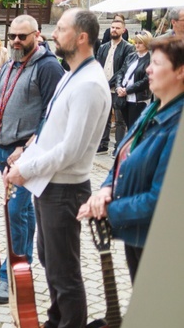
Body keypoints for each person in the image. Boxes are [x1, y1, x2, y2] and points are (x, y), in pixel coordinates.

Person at [6, 8, 110, 328]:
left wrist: (25, 169)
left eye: (61, 29)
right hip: (47, 186)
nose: (53, 33)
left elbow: (71, 149)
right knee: (50, 261)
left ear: (81, 37)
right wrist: (24, 156)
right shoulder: (72, 74)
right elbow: (49, 129)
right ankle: (56, 322)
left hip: (65, 189)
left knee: (65, 270)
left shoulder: (90, 84)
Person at [78, 34, 184, 284]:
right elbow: (124, 158)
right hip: (137, 236)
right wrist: (106, 189)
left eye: (156, 63)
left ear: (180, 72)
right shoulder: (154, 108)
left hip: (160, 242)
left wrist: (109, 209)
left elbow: (161, 199)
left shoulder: (177, 125)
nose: (147, 68)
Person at [0, 14, 64, 305]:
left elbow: (51, 116)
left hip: (25, 154)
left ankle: (12, 277)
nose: (16, 41)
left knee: (16, 211)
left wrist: (26, 149)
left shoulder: (48, 67)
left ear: (37, 35)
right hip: (4, 149)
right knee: (21, 212)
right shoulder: (9, 65)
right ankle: (21, 265)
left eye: (23, 36)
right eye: (13, 35)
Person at [96, 17, 134, 155]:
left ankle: (118, 146)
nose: (114, 30)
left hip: (118, 88)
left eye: (117, 28)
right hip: (103, 87)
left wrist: (111, 82)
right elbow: (97, 64)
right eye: (112, 27)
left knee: (119, 120)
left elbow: (124, 69)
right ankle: (103, 144)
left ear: (123, 30)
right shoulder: (103, 47)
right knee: (104, 118)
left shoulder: (128, 48)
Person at [115, 31, 153, 129]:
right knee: (128, 125)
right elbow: (121, 72)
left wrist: (127, 90)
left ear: (146, 43)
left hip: (138, 99)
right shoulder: (131, 56)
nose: (137, 45)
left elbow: (145, 81)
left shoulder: (150, 59)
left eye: (140, 43)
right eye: (136, 42)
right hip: (124, 97)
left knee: (135, 128)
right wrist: (119, 86)